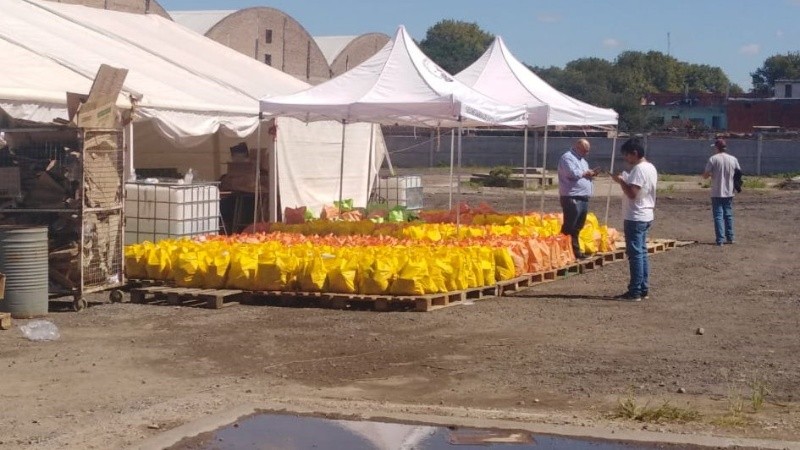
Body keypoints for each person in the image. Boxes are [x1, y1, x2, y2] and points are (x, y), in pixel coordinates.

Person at [611, 138, 658, 302]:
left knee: (636, 254)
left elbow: (632, 193)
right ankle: (643, 288)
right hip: (645, 214)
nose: (626, 159)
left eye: (627, 155)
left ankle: (635, 290)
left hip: (636, 216)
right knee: (642, 253)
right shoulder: (651, 167)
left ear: (635, 153)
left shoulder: (639, 169)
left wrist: (621, 181)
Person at [557, 138, 599, 259]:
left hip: (583, 196)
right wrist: (586, 173)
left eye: (588, 151)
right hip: (572, 196)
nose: (587, 153)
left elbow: (582, 173)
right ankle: (563, 251)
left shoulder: (583, 161)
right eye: (585, 150)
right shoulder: (567, 158)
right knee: (569, 225)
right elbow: (572, 173)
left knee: (578, 226)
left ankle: (574, 252)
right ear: (577, 147)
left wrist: (591, 174)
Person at [702, 138, 741, 246]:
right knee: (728, 215)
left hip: (717, 191)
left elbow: (705, 175)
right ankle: (730, 237)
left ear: (716, 148)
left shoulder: (713, 159)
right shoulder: (733, 159)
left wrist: (709, 175)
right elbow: (738, 173)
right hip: (729, 190)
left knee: (718, 215)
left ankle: (720, 240)